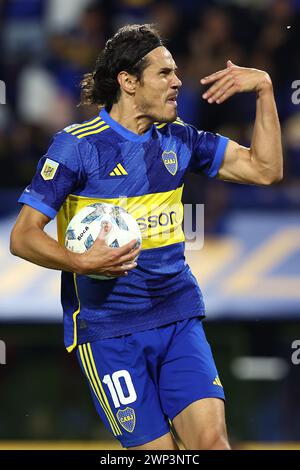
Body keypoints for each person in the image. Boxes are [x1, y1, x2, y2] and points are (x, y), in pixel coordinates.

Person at [10, 24, 283, 450]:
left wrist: (265, 92)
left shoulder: (180, 139)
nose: (178, 82)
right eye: (164, 73)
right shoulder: (77, 147)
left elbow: (265, 169)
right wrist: (82, 262)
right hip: (108, 331)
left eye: (176, 72)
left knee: (212, 443)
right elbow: (23, 237)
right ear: (128, 82)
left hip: (177, 315)